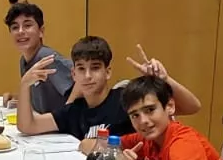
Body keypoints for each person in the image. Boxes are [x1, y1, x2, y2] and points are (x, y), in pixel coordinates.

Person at [17, 37, 201, 150]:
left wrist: (165, 79)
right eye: (81, 69)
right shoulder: (74, 110)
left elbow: (192, 107)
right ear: (73, 74)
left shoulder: (125, 99)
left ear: (108, 72)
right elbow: (28, 126)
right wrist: (25, 85)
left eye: (95, 68)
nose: (88, 76)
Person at [119, 75, 223, 160]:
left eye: (150, 110)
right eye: (135, 115)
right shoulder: (147, 138)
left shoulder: (184, 140)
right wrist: (115, 157)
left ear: (170, 106)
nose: (143, 121)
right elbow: (88, 144)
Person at [5, 0, 74, 116]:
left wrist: (63, 119)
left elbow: (79, 86)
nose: (20, 31)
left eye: (27, 25)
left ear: (41, 31)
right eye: (15, 27)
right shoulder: (24, 60)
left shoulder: (46, 58)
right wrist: (16, 97)